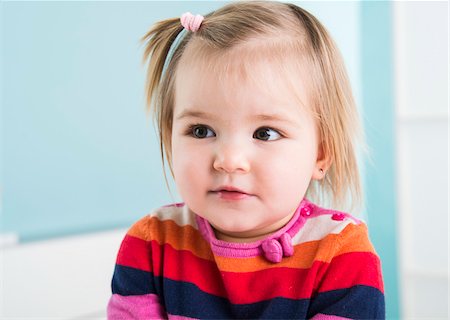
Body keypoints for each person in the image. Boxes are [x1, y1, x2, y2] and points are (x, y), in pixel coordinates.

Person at [107, 1, 385, 319]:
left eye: (265, 133)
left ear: (320, 154)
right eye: (200, 130)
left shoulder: (341, 254)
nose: (229, 160)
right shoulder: (152, 244)